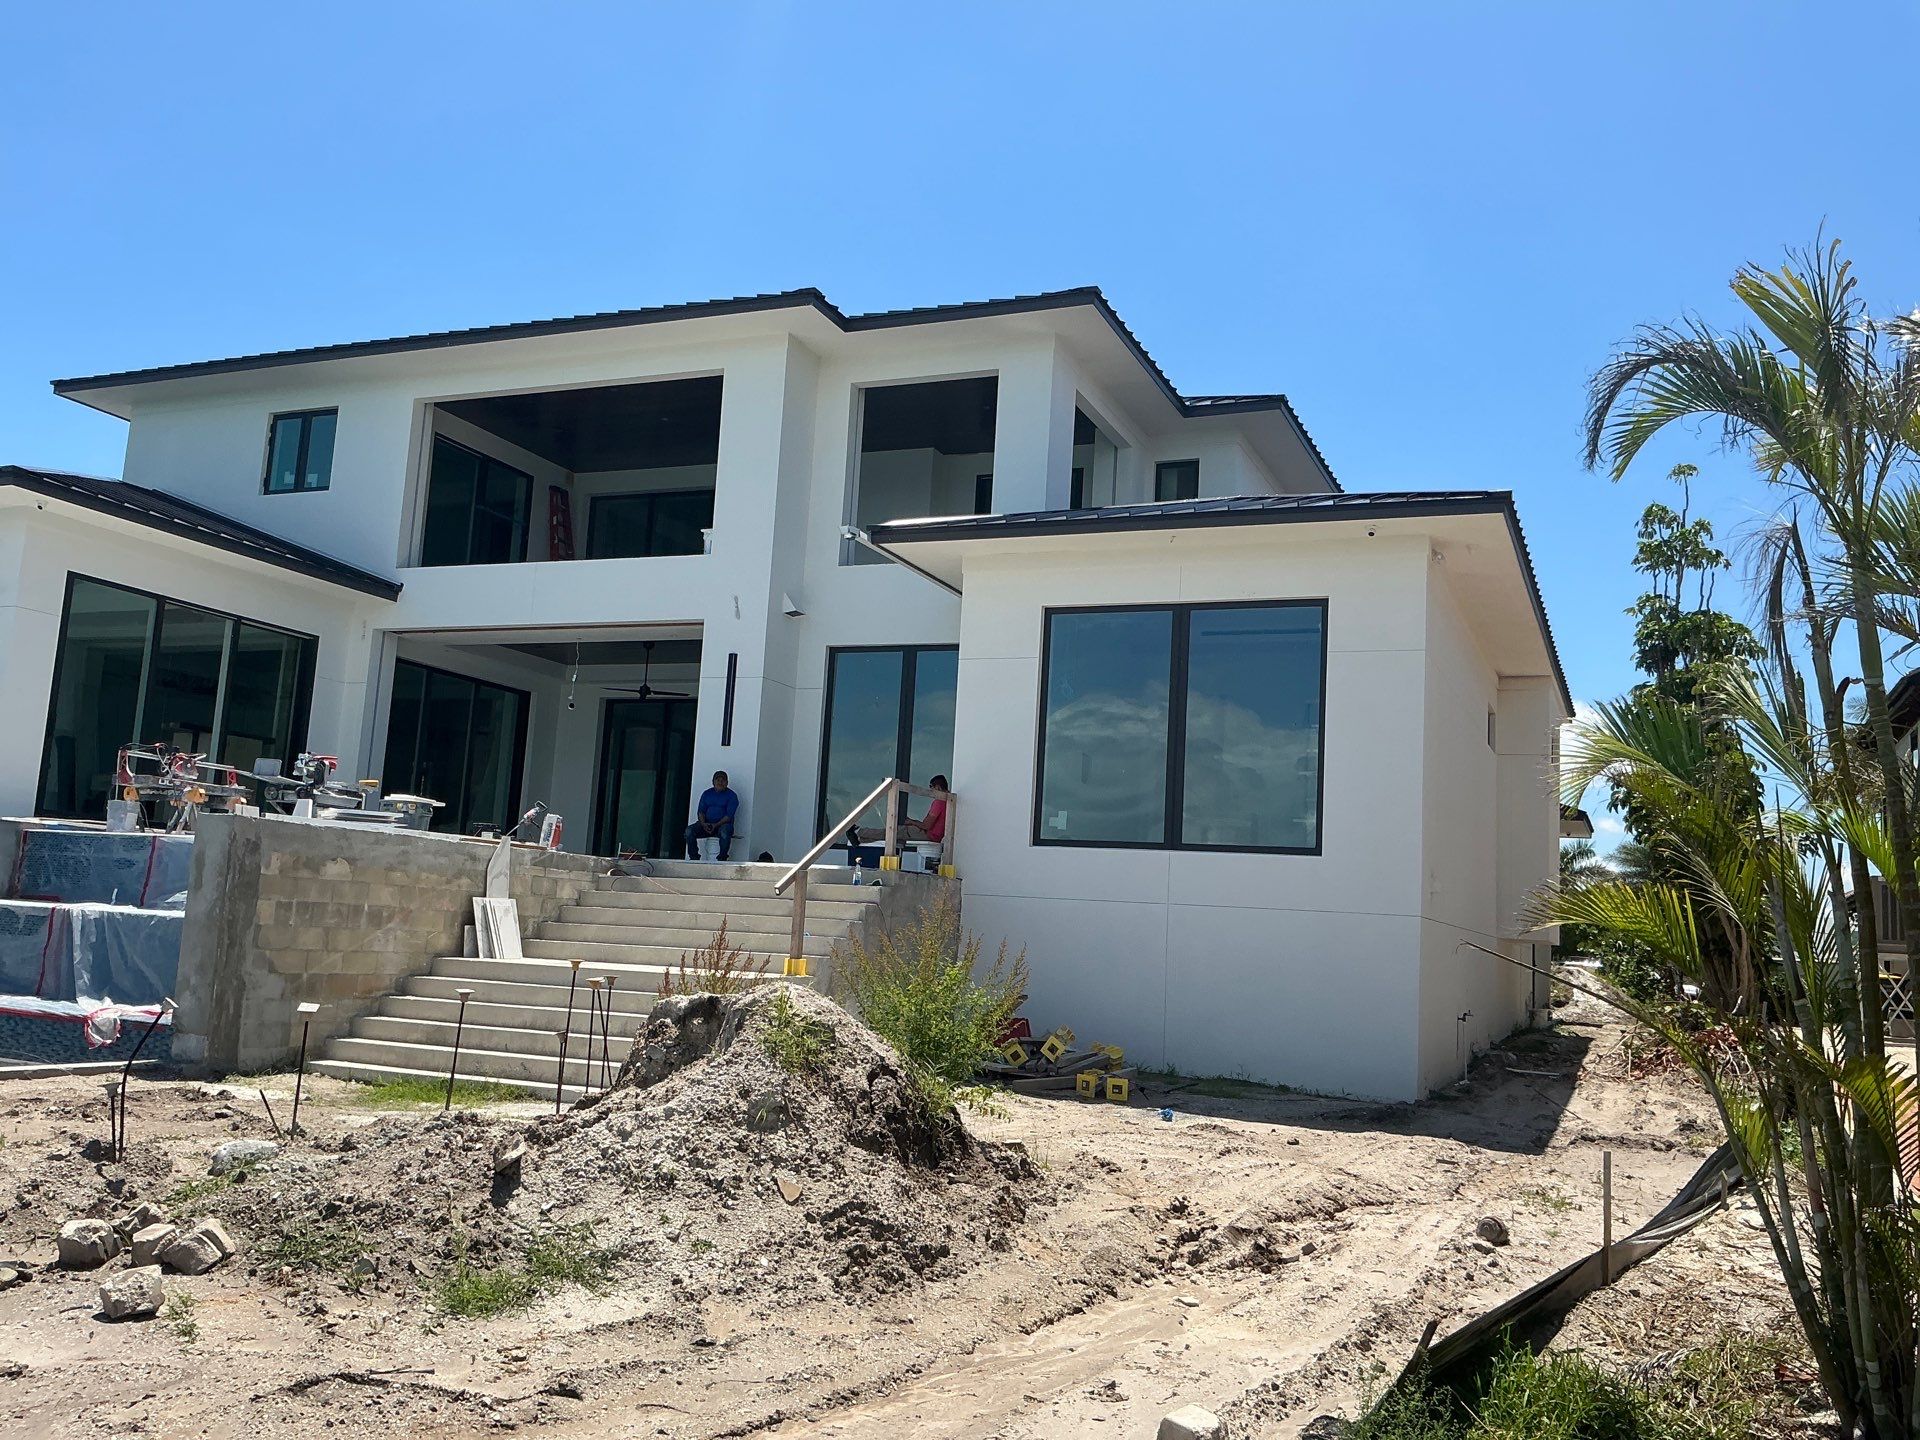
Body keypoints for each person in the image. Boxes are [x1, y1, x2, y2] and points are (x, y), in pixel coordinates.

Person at [854, 775, 948, 847]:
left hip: (928, 835)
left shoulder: (939, 801)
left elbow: (926, 826)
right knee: (895, 838)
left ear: (938, 788)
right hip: (935, 837)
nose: (931, 793)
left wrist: (912, 822)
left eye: (931, 788)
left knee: (892, 831)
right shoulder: (949, 801)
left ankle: (858, 832)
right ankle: (861, 839)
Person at [685, 771, 739, 860]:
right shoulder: (706, 794)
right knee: (689, 831)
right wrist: (703, 824)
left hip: (723, 825)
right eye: (717, 780)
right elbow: (701, 812)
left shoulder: (732, 796)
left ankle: (722, 859)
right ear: (713, 782)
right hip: (706, 825)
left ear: (727, 782)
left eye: (723, 780)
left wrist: (716, 825)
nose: (720, 782)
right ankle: (694, 858)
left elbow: (729, 816)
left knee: (725, 832)